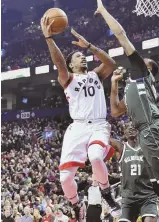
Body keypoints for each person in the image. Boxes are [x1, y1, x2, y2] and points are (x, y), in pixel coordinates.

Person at [95, 0, 159, 221]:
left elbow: (121, 35)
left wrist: (104, 12)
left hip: (151, 130)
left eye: (142, 61)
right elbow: (117, 111)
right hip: (146, 131)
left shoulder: (142, 74)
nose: (136, 60)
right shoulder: (134, 88)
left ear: (147, 68)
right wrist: (115, 84)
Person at [40, 13, 121, 219]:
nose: (81, 57)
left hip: (98, 125)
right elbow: (58, 61)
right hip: (77, 128)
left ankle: (106, 193)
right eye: (77, 56)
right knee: (65, 178)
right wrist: (49, 39)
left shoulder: (96, 75)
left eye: (81, 55)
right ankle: (77, 205)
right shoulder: (68, 78)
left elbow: (110, 63)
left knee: (95, 156)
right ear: (71, 65)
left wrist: (89, 47)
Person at [110, 125, 157, 222]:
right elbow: (105, 139)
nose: (131, 128)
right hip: (128, 197)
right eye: (127, 127)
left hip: (147, 196)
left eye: (133, 126)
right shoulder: (121, 147)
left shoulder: (147, 147)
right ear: (124, 133)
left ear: (138, 130)